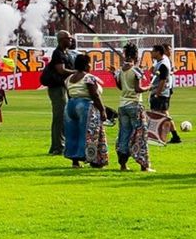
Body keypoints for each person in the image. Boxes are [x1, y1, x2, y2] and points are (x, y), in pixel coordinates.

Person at [62, 52, 109, 168]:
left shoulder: (68, 79)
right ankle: (91, 159)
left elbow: (68, 94)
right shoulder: (89, 78)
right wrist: (102, 110)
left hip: (70, 106)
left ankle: (75, 161)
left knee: (72, 133)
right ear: (86, 65)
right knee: (89, 134)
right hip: (84, 106)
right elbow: (95, 95)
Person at [114, 43, 152, 172]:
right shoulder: (136, 70)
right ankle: (143, 165)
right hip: (135, 105)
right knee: (140, 135)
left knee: (124, 134)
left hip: (122, 105)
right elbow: (138, 89)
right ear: (136, 55)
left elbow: (120, 87)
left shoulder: (120, 70)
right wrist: (149, 88)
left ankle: (123, 164)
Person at [42, 30, 76, 155]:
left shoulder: (66, 53)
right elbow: (61, 70)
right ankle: (57, 146)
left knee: (63, 117)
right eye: (68, 38)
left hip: (64, 87)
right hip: (57, 88)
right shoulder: (58, 53)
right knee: (59, 117)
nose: (71, 40)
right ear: (61, 40)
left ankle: (59, 144)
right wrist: (76, 72)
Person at [149, 43, 181, 144]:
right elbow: (154, 71)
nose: (151, 52)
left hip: (161, 93)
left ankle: (159, 136)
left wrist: (157, 94)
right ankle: (174, 136)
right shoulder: (161, 61)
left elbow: (163, 80)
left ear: (158, 52)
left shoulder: (163, 64)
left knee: (159, 114)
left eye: (153, 51)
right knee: (162, 113)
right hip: (162, 91)